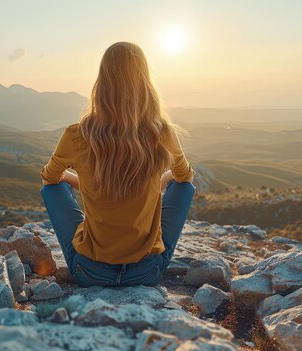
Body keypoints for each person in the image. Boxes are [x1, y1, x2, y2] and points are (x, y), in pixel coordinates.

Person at [40, 41, 196, 287]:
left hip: (89, 272)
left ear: (102, 82)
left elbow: (49, 179)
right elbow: (185, 176)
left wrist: (73, 178)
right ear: (145, 82)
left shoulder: (77, 135)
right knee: (185, 188)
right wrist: (159, 180)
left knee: (52, 189)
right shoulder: (162, 132)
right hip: (147, 272)